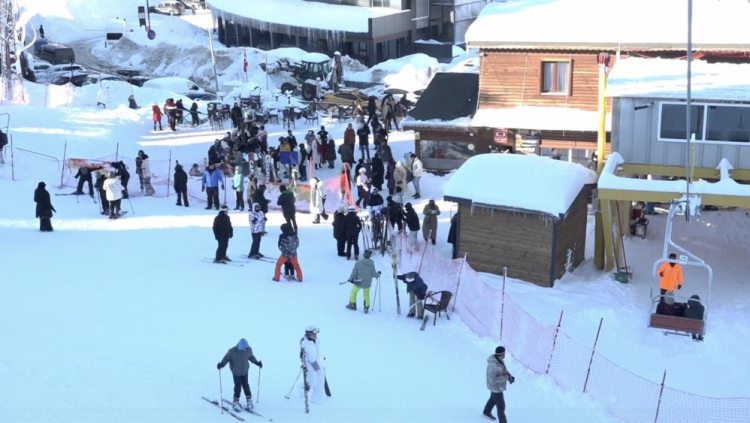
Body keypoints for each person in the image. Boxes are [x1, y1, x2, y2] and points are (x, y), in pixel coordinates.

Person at [217, 338, 263, 412]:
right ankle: (235, 402)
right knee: (237, 387)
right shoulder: (233, 351)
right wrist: (221, 364)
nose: (245, 350)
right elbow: (226, 358)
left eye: (246, 348)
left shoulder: (248, 349)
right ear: (240, 347)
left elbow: (251, 357)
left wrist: (257, 363)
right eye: (244, 349)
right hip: (236, 372)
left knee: (246, 386)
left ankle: (249, 400)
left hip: (245, 371)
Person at [484, 346, 514, 422]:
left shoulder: (500, 360)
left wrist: (509, 377)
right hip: (495, 388)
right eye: (504, 353)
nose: (505, 355)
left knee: (493, 399)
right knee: (501, 406)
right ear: (502, 354)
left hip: (498, 386)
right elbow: (491, 379)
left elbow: (504, 370)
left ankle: (486, 411)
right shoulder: (492, 365)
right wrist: (505, 378)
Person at [346, 249, 380, 313]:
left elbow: (354, 272)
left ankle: (352, 304)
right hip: (367, 283)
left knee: (353, 292)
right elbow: (373, 274)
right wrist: (378, 274)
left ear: (364, 254)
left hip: (358, 282)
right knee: (366, 294)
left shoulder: (358, 263)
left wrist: (350, 279)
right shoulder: (371, 264)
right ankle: (366, 307)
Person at [300, 326, 327, 403]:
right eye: (313, 334)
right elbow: (302, 356)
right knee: (312, 381)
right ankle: (301, 390)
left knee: (320, 381)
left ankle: (317, 399)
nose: (315, 336)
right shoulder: (304, 343)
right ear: (308, 334)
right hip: (310, 364)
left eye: (316, 334)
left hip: (318, 363)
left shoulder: (317, 340)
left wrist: (323, 356)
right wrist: (304, 362)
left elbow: (320, 349)